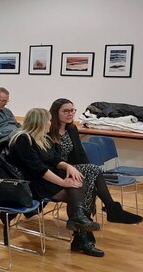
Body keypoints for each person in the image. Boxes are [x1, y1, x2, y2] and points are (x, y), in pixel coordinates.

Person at [8, 108, 104, 257]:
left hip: (47, 178)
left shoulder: (43, 138)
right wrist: (62, 182)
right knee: (77, 192)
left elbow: (55, 159)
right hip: (32, 183)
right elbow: (37, 169)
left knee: (80, 185)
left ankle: (80, 230)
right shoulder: (22, 140)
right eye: (48, 120)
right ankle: (82, 237)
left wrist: (68, 167)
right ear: (39, 122)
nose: (50, 122)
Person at [49, 98, 142, 224]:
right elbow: (51, 160)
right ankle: (109, 210)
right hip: (57, 171)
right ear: (56, 112)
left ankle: (86, 221)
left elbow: (80, 154)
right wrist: (87, 170)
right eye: (66, 111)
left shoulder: (71, 129)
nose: (70, 114)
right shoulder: (49, 131)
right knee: (92, 171)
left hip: (73, 168)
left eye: (72, 110)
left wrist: (87, 171)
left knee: (92, 176)